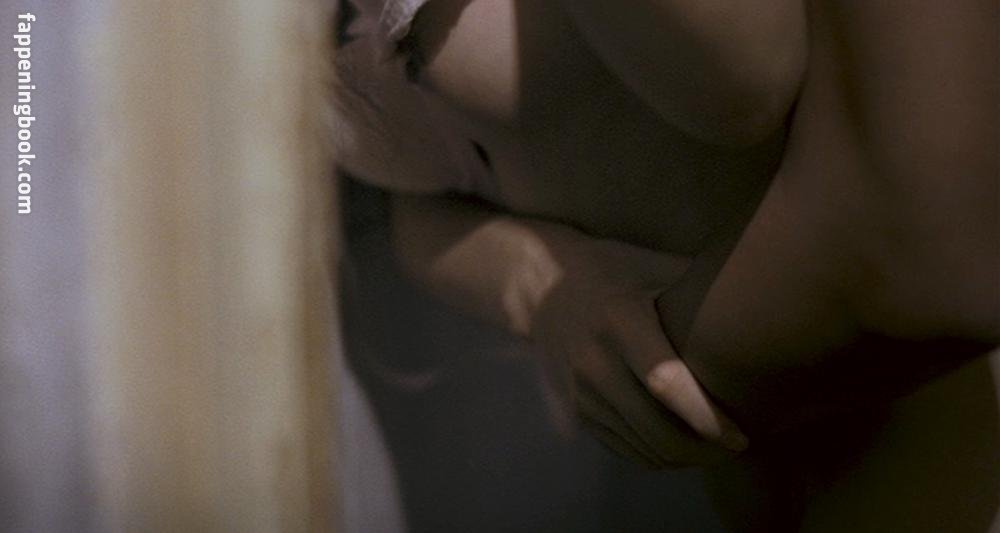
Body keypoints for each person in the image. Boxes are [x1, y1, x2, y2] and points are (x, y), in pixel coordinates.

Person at [333, 0, 999, 529]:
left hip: (888, 404)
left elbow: (741, 83)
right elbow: (424, 190)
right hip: (744, 436)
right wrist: (536, 284)